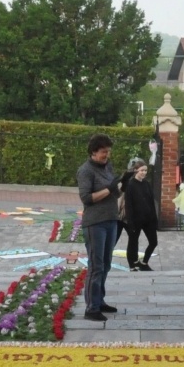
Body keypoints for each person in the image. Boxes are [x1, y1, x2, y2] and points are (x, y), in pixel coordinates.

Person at [77, 134, 120, 322]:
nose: (107, 155)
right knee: (96, 266)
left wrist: (122, 184)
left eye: (108, 152)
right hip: (95, 223)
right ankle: (91, 308)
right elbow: (86, 198)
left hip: (111, 220)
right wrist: (109, 189)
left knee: (107, 264)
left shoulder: (107, 167)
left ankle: (99, 300)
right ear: (94, 152)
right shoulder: (85, 171)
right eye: (104, 152)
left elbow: (114, 191)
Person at [119, 157, 159, 271]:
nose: (144, 173)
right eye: (142, 170)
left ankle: (144, 262)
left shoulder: (147, 184)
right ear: (136, 170)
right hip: (136, 220)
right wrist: (130, 222)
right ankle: (132, 265)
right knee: (133, 243)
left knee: (153, 242)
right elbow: (129, 206)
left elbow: (151, 202)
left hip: (148, 219)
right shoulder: (131, 185)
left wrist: (154, 219)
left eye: (145, 170)